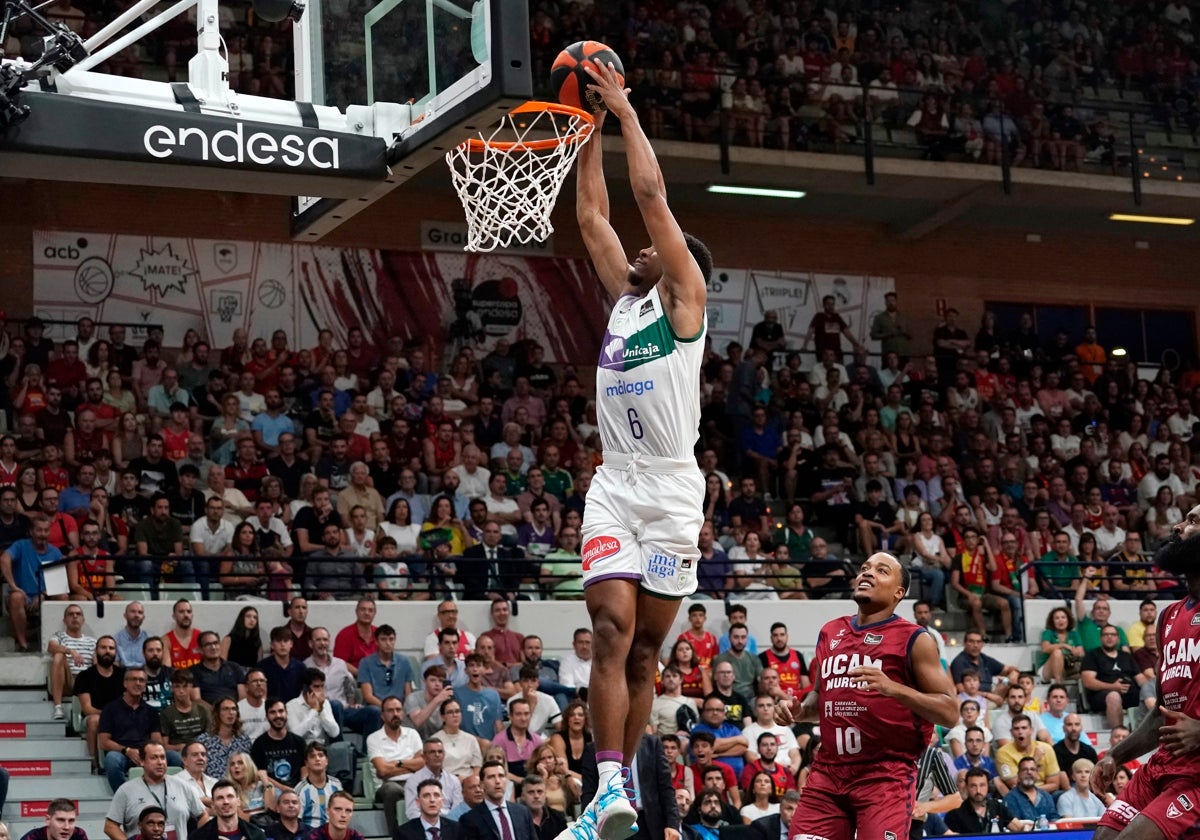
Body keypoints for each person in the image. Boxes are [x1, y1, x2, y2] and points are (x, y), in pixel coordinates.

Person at [564, 55, 712, 840]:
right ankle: (608, 790)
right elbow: (593, 217)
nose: (645, 247)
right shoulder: (627, 298)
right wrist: (587, 126)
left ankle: (622, 783)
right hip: (617, 485)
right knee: (611, 630)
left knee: (648, 652)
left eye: (661, 248)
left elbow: (650, 196)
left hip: (673, 492)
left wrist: (625, 111)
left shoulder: (683, 303)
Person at [777, 553, 958, 840]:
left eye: (881, 570)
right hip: (828, 772)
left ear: (899, 592)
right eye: (864, 568)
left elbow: (950, 712)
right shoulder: (830, 631)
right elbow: (818, 700)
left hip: (884, 776)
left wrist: (893, 688)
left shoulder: (916, 639)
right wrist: (797, 710)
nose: (868, 573)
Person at [1090, 503, 1200, 839]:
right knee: (1103, 837)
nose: (1179, 527)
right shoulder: (1168, 617)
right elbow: (1161, 714)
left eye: (1193, 520)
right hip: (1162, 765)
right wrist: (1115, 756)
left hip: (1196, 774)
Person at [103, 742, 207, 840]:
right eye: (154, 758)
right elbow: (110, 826)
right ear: (142, 761)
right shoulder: (126, 790)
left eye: (162, 757)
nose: (160, 762)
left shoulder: (182, 786)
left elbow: (203, 815)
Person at [368, 695, 425, 836]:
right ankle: (396, 835)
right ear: (382, 715)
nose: (395, 714)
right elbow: (382, 771)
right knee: (391, 789)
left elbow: (422, 763)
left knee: (427, 787)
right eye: (390, 710)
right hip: (386, 785)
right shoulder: (374, 738)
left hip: (413, 782)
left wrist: (398, 763)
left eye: (398, 710)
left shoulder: (412, 734)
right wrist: (410, 765)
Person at [460, 760, 537, 840]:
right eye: (491, 777)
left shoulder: (522, 812)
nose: (497, 781)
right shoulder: (470, 819)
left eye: (501, 776)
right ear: (482, 785)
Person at [944, 768, 1022, 833]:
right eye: (973, 786)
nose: (978, 790)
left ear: (988, 787)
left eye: (982, 785)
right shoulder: (955, 814)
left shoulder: (997, 806)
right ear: (967, 787)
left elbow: (1020, 828)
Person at [405, 739, 464, 820]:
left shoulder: (454, 780)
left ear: (444, 755)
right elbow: (412, 812)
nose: (437, 755)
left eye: (440, 752)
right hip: (424, 826)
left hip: (450, 825)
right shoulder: (413, 781)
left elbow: (457, 810)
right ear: (424, 756)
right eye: (432, 752)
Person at [190, 780, 266, 840]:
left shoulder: (256, 835)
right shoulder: (199, 837)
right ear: (213, 805)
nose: (226, 802)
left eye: (230, 796)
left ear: (238, 802)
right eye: (220, 798)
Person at [397, 779, 465, 840]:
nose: (432, 800)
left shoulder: (456, 829)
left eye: (436, 795)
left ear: (442, 802)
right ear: (418, 802)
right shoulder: (403, 833)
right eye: (426, 796)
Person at [295, 743, 342, 829]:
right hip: (310, 833)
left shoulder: (336, 785)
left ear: (327, 761)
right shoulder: (300, 789)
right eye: (312, 756)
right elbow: (297, 820)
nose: (317, 759)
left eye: (321, 755)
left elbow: (342, 812)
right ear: (306, 763)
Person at [1002, 757, 1058, 823]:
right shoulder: (1010, 798)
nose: (1029, 772)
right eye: (1024, 769)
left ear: (1037, 774)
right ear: (1018, 774)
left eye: (1032, 769)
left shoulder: (1046, 796)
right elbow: (1014, 825)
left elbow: (1054, 819)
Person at [19, 799, 88, 840]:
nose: (67, 827)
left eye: (71, 821)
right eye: (61, 820)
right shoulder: (32, 838)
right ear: (48, 820)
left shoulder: (78, 835)